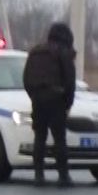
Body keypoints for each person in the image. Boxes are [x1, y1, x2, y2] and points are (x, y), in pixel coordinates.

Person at [21, 22, 78, 186]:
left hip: (38, 99)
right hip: (56, 100)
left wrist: (34, 96)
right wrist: (67, 103)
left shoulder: (35, 52)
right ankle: (63, 176)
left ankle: (39, 175)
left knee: (40, 137)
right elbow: (70, 81)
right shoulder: (63, 53)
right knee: (60, 140)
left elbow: (26, 79)